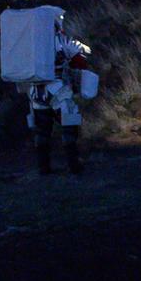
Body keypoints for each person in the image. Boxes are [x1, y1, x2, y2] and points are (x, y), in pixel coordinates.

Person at [26, 11, 92, 175]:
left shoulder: (27, 45)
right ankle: (73, 165)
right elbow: (81, 63)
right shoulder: (63, 42)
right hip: (60, 92)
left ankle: (43, 168)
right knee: (69, 128)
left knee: (42, 132)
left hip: (36, 94)